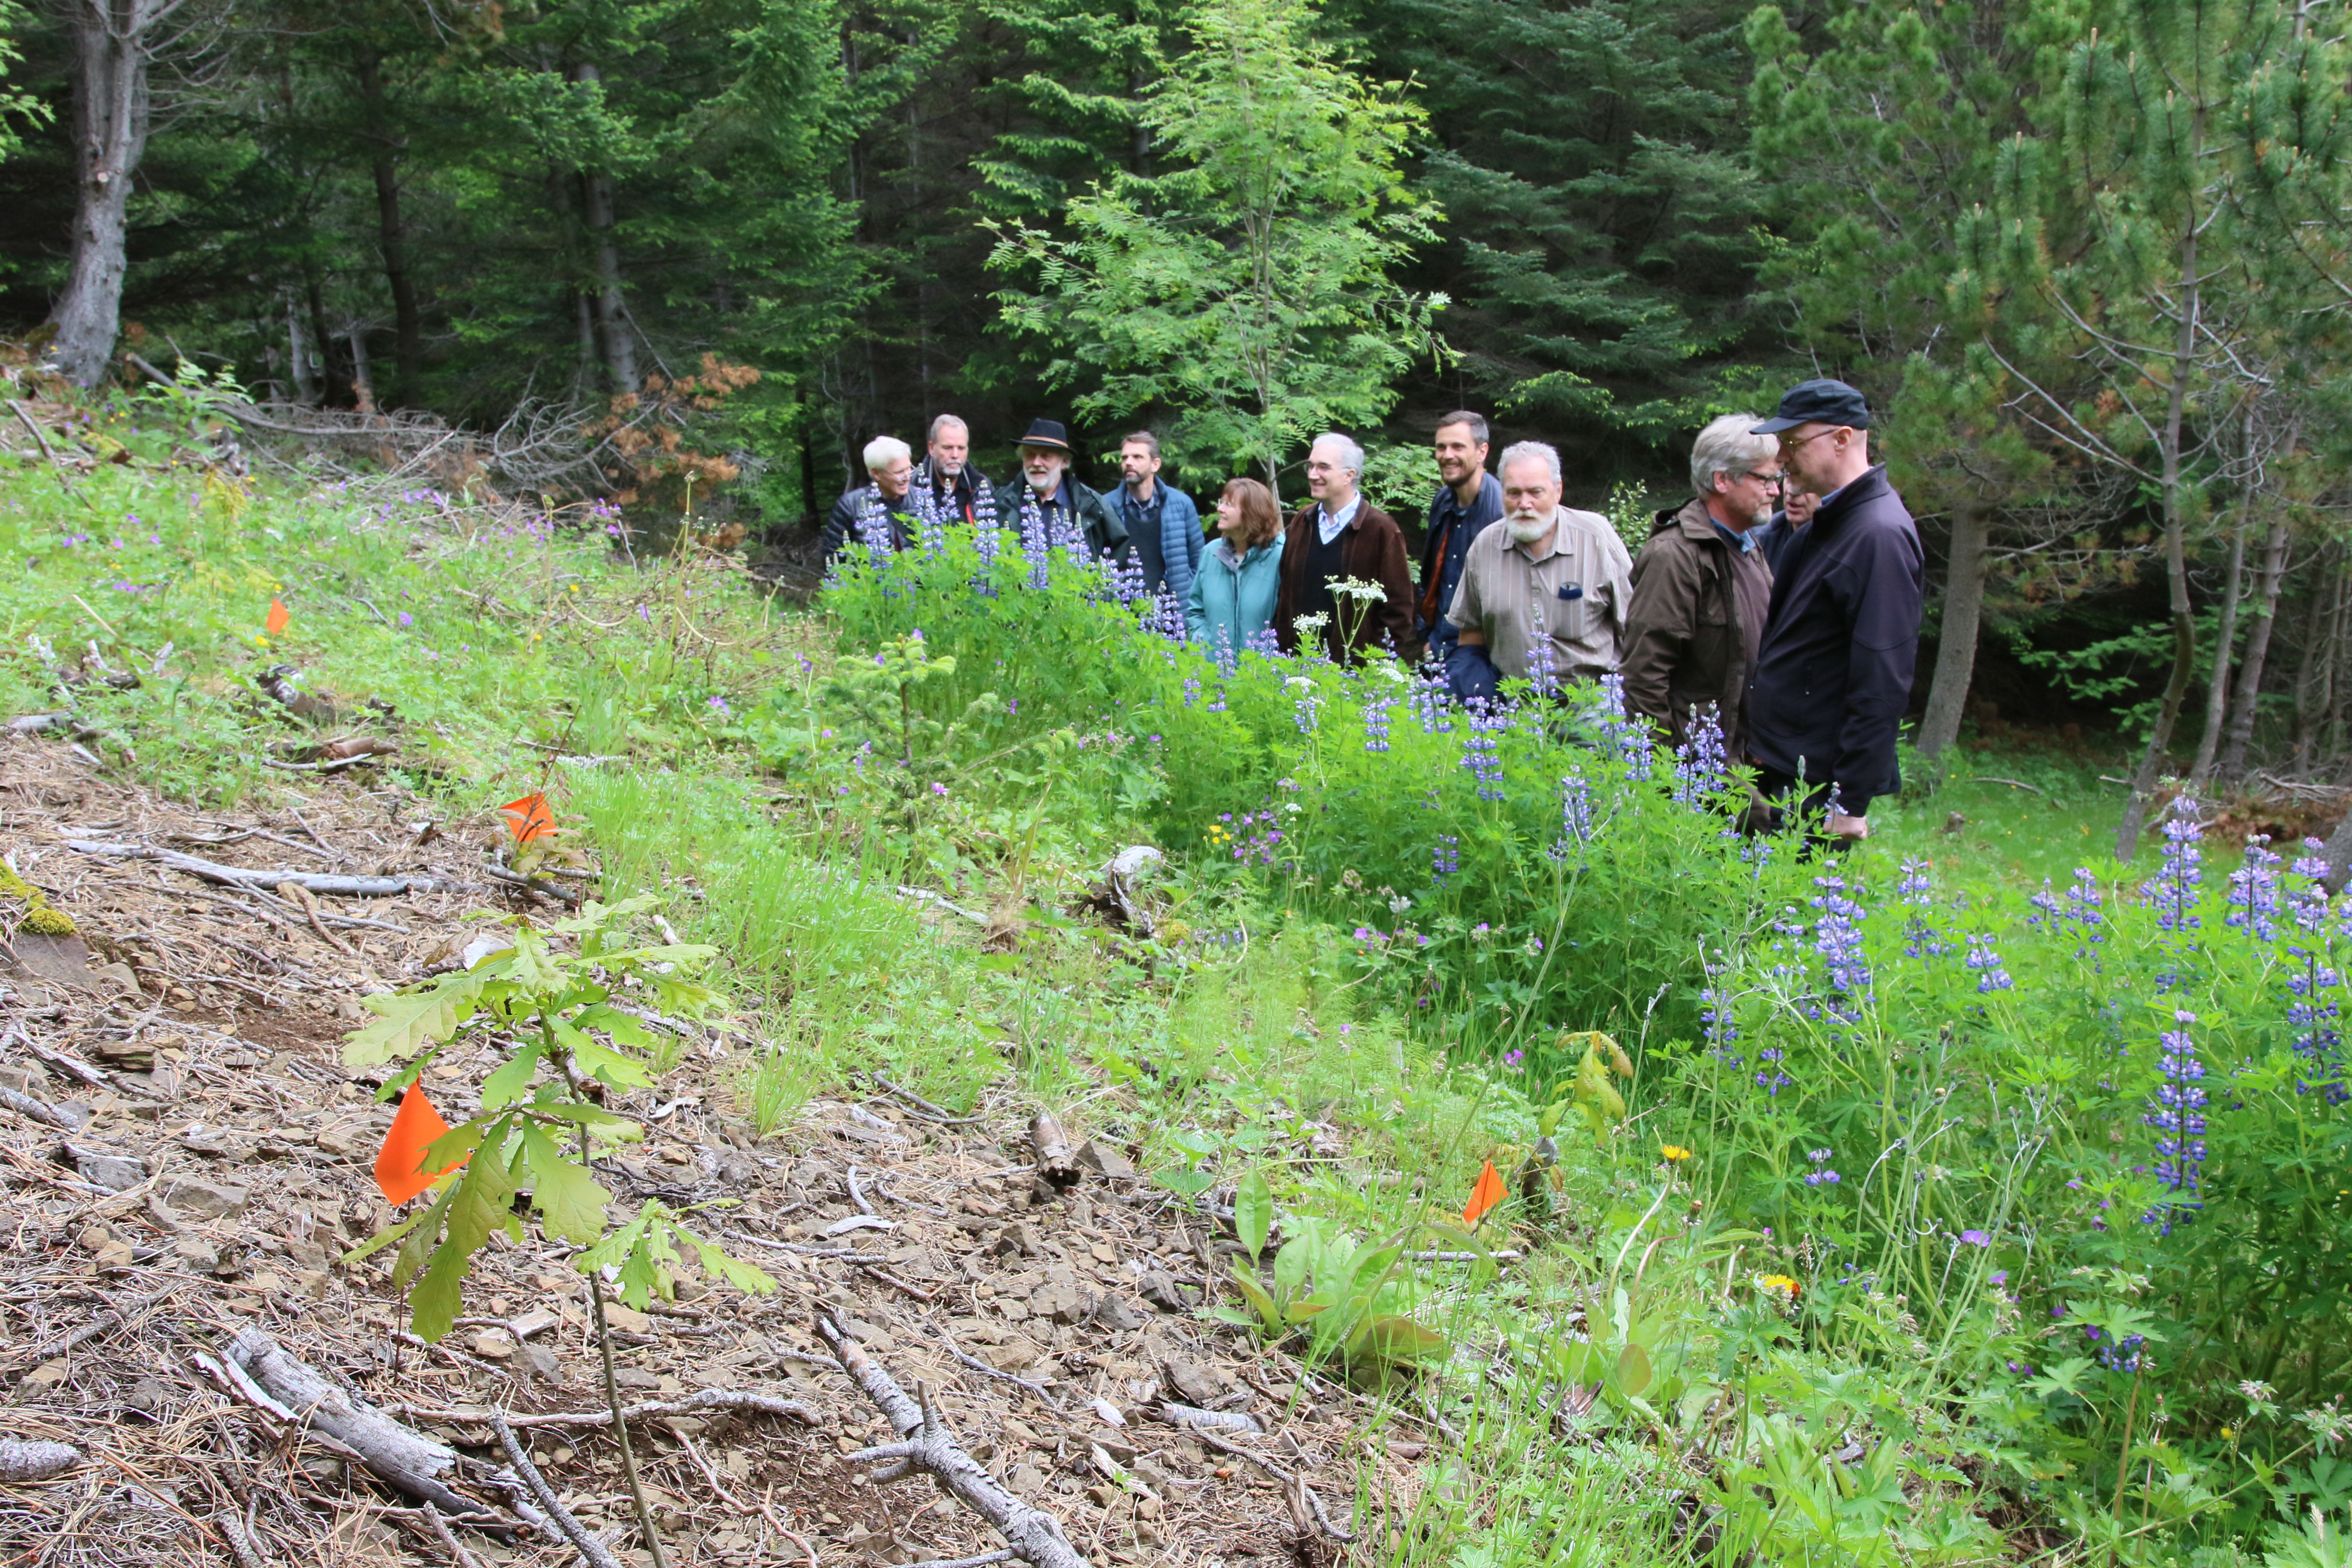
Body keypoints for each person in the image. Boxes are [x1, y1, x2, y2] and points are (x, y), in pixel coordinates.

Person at [1746, 378, 1924, 841]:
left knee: (1789, 912)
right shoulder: (1828, 524)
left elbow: (1882, 678)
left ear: (1843, 439)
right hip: (1781, 768)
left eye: (1792, 442)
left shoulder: (1877, 535)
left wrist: (1850, 801)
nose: (1781, 458)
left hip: (1815, 787)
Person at [1620, 413, 1781, 758]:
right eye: (1766, 479)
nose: (1776, 491)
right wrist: (1664, 775)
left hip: (1746, 760)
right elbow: (1644, 674)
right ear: (1722, 480)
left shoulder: (1747, 545)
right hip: (1697, 770)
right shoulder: (1675, 555)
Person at [1449, 441, 1633, 697]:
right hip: (1513, 704)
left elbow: (1635, 628)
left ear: (1558, 491)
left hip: (1590, 704)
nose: (1524, 504)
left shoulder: (1596, 537)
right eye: (1514, 493)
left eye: (1536, 492)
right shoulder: (1485, 546)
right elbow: (1470, 635)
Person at [1273, 433, 1416, 662]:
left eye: (1323, 468)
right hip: (1298, 664)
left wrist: (1378, 667)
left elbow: (1398, 610)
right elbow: (1284, 594)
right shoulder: (1302, 522)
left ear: (1350, 475)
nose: (1313, 475)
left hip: (1354, 671)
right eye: (1310, 467)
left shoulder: (1381, 530)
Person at [1417, 411, 1501, 658]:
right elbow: (1430, 576)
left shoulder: (1500, 511)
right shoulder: (1443, 501)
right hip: (1438, 647)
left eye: (1458, 447)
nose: (1447, 456)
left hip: (1479, 655)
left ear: (1482, 452)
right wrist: (1426, 636)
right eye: (1441, 448)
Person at [992, 418, 1127, 562]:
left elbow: (1119, 554)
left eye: (1046, 456)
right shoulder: (1000, 501)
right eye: (1030, 455)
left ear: (1064, 462)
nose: (1037, 463)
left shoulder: (1091, 504)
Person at [1185, 477, 1284, 661]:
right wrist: (1202, 646)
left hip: (1262, 677)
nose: (1220, 509)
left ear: (1252, 513)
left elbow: (1288, 619)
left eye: (1229, 505)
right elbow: (1196, 611)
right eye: (1222, 502)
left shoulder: (1281, 557)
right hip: (1214, 673)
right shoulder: (1211, 553)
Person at [1117, 432, 1203, 602]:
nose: (1129, 463)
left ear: (1155, 464)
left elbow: (1200, 565)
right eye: (1125, 458)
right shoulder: (1107, 506)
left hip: (1173, 617)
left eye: (1137, 457)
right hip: (1124, 616)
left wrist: (1186, 595)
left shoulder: (1181, 505)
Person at [820, 435, 919, 561]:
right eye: (899, 472)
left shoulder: (921, 498)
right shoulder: (850, 505)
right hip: (872, 579)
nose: (907, 477)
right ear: (876, 473)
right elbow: (833, 556)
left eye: (909, 469)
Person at [915, 414, 991, 523]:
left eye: (961, 448)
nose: (955, 455)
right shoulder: (913, 485)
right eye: (948, 448)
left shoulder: (980, 485)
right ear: (932, 448)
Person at [1749, 488, 1819, 575]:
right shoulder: (1757, 540)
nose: (1792, 492)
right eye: (1788, 477)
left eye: (1806, 483)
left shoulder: (1839, 548)